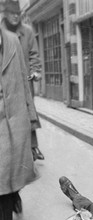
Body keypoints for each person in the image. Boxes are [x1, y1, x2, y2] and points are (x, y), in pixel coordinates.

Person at [0, 25, 39, 220]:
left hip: (14, 115)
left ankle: (12, 195)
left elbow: (24, 81)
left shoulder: (13, 41)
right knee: (2, 169)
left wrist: (31, 117)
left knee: (7, 167)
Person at [2, 0, 44, 161]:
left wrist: (35, 71)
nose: (15, 17)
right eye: (12, 14)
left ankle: (32, 147)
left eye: (17, 14)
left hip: (24, 83)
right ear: (5, 14)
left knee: (28, 114)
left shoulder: (27, 32)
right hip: (5, 84)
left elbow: (34, 55)